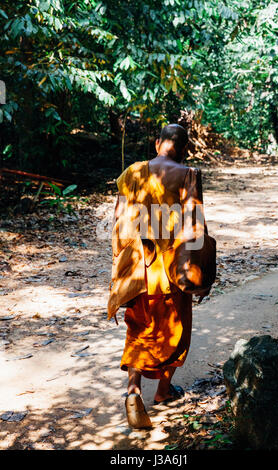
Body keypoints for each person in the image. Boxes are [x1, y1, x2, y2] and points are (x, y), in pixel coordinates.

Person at [107, 124, 203, 429]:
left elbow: (119, 223)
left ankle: (133, 390)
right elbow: (195, 230)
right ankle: (163, 391)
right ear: (185, 147)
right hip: (171, 272)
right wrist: (200, 276)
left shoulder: (133, 172)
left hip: (138, 269)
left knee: (138, 329)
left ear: (157, 142)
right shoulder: (188, 174)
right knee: (176, 333)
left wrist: (120, 269)